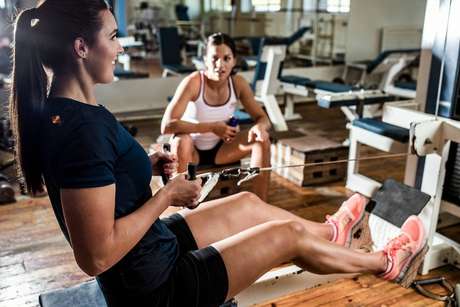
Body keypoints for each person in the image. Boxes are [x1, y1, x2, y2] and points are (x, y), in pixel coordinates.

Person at [10, 1, 428, 307]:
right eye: (114, 36)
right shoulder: (79, 129)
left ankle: (331, 234)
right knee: (284, 237)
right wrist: (166, 197)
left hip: (150, 254)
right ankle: (385, 262)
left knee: (247, 203)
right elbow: (96, 256)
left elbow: (103, 179)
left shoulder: (76, 112)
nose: (121, 47)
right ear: (81, 48)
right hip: (154, 288)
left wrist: (146, 166)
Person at [161, 32, 271, 200]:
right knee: (181, 140)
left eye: (226, 58)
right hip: (192, 152)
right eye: (214, 58)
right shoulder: (194, 82)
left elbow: (263, 118)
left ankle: (261, 204)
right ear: (205, 60)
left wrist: (259, 127)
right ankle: (181, 204)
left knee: (262, 140)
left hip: (222, 150)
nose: (220, 64)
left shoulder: (238, 83)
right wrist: (212, 127)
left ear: (234, 60)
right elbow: (167, 125)